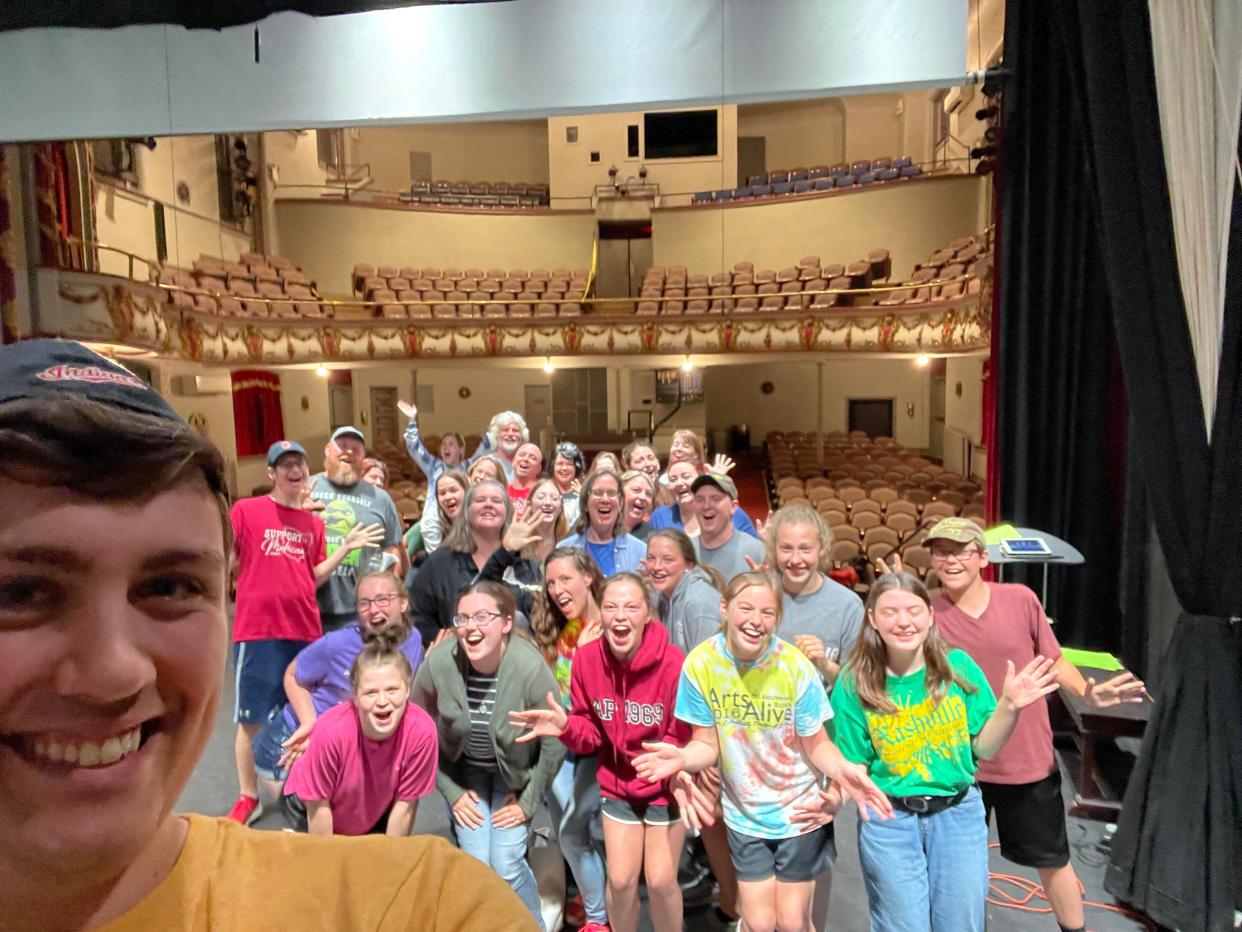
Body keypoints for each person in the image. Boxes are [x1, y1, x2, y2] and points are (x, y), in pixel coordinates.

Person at [0, 338, 537, 931]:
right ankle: (253, 791)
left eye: (169, 587)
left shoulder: (425, 902)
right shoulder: (256, 518)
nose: (113, 672)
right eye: (20, 594)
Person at [903, 518, 1146, 932]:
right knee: (950, 871)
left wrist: (1088, 691)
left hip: (1025, 760)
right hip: (957, 764)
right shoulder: (927, 612)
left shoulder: (1020, 599)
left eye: (960, 550)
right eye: (940, 551)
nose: (949, 559)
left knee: (1053, 862)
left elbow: (1053, 659)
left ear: (982, 557)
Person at [634, 572, 893, 932]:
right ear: (724, 608)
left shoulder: (794, 667)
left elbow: (817, 744)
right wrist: (682, 758)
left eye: (768, 613)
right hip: (744, 813)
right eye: (746, 608)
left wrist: (842, 771)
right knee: (757, 920)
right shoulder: (701, 664)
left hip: (798, 809)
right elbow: (706, 744)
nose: (756, 621)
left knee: (791, 921)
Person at [830, 571, 1060, 932]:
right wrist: (832, 799)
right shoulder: (853, 682)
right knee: (902, 925)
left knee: (960, 924)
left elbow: (983, 746)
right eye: (889, 612)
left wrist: (1010, 707)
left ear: (930, 615)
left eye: (913, 610)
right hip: (889, 818)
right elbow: (852, 763)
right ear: (872, 618)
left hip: (958, 814)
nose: (903, 621)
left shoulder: (958, 667)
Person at [513, 574, 690, 932]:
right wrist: (566, 728)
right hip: (617, 782)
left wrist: (668, 764)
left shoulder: (673, 662)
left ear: (647, 616)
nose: (620, 616)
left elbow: (683, 734)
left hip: (664, 786)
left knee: (658, 881)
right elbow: (590, 735)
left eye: (631, 606)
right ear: (601, 614)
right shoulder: (587, 660)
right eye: (610, 606)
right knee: (622, 881)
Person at [227, 439, 386, 825]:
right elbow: (227, 560)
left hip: (304, 629)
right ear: (271, 473)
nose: (294, 471)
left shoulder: (313, 523)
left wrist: (344, 548)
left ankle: (306, 788)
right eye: (285, 465)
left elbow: (311, 576)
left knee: (305, 715)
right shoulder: (247, 510)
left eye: (299, 463)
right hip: (258, 629)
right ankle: (249, 797)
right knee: (252, 719)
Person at [413, 583, 565, 928]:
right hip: (465, 776)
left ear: (506, 623)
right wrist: (449, 791)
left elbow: (557, 739)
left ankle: (530, 926)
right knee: (478, 861)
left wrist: (528, 801)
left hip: (518, 776)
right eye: (463, 618)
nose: (471, 627)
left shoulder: (529, 667)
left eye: (483, 617)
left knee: (507, 861)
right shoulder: (441, 661)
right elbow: (414, 725)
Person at [252, 571, 425, 790]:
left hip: (344, 745)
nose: (373, 609)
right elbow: (292, 675)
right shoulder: (337, 644)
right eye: (364, 603)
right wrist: (309, 724)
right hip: (290, 744)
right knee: (315, 821)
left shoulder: (413, 640)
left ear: (403, 603)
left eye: (382, 599)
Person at [282, 628, 437, 835]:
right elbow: (318, 809)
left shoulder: (422, 732)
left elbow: (405, 805)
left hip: (374, 810)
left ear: (407, 689)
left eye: (392, 690)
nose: (382, 702)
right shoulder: (330, 731)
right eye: (371, 692)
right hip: (314, 809)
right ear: (354, 695)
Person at [528, 548, 609, 932]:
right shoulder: (563, 629)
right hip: (563, 745)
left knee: (578, 831)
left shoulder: (613, 624)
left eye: (566, 579)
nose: (558, 589)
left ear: (589, 578)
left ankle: (600, 916)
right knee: (567, 834)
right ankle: (595, 903)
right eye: (551, 582)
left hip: (598, 748)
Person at [409, 478, 540, 647]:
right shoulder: (439, 563)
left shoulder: (526, 565)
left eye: (496, 501)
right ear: (466, 512)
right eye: (480, 500)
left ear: (508, 512)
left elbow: (540, 620)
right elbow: (418, 616)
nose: (488, 504)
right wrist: (440, 638)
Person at [308, 425, 405, 632]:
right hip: (309, 608)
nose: (349, 452)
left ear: (363, 457)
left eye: (356, 448)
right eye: (342, 445)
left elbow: (392, 547)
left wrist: (388, 591)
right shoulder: (307, 488)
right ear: (327, 450)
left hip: (361, 612)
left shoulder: (379, 498)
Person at [767, 504, 864, 689]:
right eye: (786, 549)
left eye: (805, 549)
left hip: (824, 716)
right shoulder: (759, 595)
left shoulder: (848, 606)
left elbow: (856, 687)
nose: (795, 560)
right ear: (774, 549)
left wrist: (823, 664)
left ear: (822, 548)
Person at [399, 399, 469, 557]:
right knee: (424, 527)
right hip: (434, 521)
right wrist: (411, 421)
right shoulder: (434, 466)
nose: (445, 447)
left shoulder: (470, 469)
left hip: (462, 521)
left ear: (461, 450)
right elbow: (415, 448)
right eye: (443, 444)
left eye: (451, 444)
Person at [644, 529, 723, 653]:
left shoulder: (699, 602)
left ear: (689, 565)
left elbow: (709, 662)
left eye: (668, 560)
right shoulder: (660, 596)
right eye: (651, 558)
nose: (656, 567)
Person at [557, 469, 647, 577]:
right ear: (585, 503)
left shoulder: (640, 551)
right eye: (598, 493)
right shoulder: (564, 549)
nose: (605, 499)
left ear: (621, 503)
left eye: (611, 493)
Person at [649, 463, 760, 539]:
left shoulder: (731, 511)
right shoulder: (659, 516)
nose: (679, 483)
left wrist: (763, 540)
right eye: (673, 479)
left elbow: (753, 549)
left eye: (686, 476)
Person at [690, 474, 766, 581]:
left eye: (715, 499)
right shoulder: (684, 551)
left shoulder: (756, 551)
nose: (706, 506)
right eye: (700, 499)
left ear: (733, 507)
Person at [417, 469, 468, 558]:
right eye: (442, 493)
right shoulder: (432, 523)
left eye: (453, 490)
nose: (447, 497)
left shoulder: (480, 522)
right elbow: (438, 565)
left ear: (467, 492)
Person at [525, 477, 569, 566]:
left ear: (561, 507)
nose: (548, 502)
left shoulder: (569, 543)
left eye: (554, 498)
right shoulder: (518, 543)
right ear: (529, 505)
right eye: (541, 497)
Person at [485, 410, 530, 482]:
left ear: (522, 437)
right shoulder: (487, 463)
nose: (510, 434)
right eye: (505, 430)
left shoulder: (527, 463)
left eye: (515, 430)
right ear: (496, 435)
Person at [549, 440, 585, 527]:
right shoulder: (545, 491)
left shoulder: (585, 493)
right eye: (560, 464)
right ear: (552, 466)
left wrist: (585, 498)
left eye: (569, 464)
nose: (564, 468)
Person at [508, 442, 544, 517]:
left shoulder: (543, 494)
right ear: (513, 462)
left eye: (533, 458)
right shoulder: (501, 491)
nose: (526, 459)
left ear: (539, 468)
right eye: (522, 455)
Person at [620, 469, 657, 542]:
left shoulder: (652, 539)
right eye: (636, 490)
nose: (643, 497)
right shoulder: (599, 529)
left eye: (648, 494)